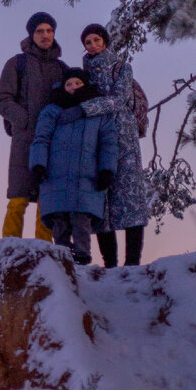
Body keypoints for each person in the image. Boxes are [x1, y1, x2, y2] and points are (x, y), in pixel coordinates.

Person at [56, 23, 149, 266]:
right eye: (88, 42)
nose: (93, 45)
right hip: (96, 136)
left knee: (130, 198)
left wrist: (84, 109)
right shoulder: (85, 73)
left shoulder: (122, 67)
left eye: (96, 40)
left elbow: (119, 99)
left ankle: (132, 263)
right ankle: (109, 264)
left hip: (123, 135)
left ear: (105, 41)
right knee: (101, 200)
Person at [29, 68, 118, 264]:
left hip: (86, 175)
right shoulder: (51, 111)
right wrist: (38, 164)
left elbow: (108, 143)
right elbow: (41, 139)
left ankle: (83, 256)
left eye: (77, 83)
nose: (73, 87)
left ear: (85, 84)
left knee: (81, 218)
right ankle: (62, 258)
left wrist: (107, 170)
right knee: (59, 219)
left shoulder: (97, 113)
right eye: (69, 84)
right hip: (55, 174)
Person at [0, 11, 68, 241]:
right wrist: (23, 121)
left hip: (53, 143)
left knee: (47, 199)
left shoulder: (62, 68)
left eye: (49, 30)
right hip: (25, 141)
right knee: (18, 198)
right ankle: (9, 247)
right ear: (31, 34)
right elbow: (2, 100)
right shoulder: (18, 63)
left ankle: (43, 250)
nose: (45, 35)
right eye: (40, 31)